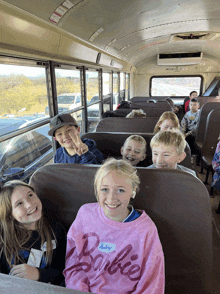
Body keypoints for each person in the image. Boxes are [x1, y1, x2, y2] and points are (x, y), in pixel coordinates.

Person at [63, 158, 165, 294]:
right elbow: (74, 263)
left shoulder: (146, 230)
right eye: (104, 189)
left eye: (120, 190)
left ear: (133, 191)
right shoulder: (85, 214)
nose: (111, 198)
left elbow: (152, 282)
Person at [0, 180, 66, 285]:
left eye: (30, 195)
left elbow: (64, 272)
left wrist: (39, 274)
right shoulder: (3, 237)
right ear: (9, 214)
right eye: (19, 203)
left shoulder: (56, 230)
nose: (29, 204)